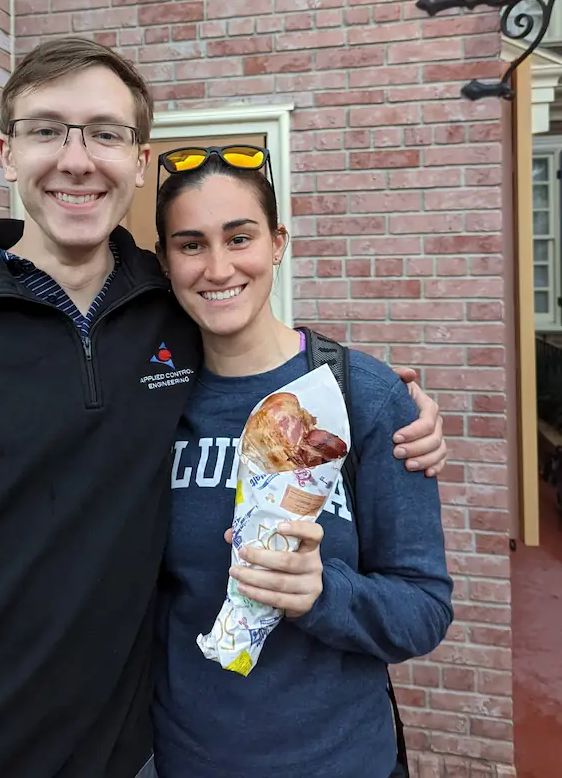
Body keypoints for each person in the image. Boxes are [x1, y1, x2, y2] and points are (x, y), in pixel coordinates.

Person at [0, 37, 446, 778]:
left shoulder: (174, 317)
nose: (76, 159)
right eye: (45, 130)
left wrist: (391, 399)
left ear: (136, 161)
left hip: (120, 755)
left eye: (103, 133)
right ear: (6, 152)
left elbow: (255, 338)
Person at [148, 146, 453, 778]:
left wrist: (321, 592)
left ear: (278, 242)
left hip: (338, 760)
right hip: (183, 757)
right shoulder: (148, 403)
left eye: (240, 237)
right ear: (164, 261)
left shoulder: (361, 397)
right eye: (191, 244)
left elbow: (424, 607)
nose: (219, 266)